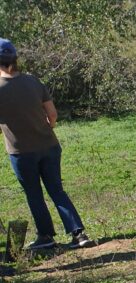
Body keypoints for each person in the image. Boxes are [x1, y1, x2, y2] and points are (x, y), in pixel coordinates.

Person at [0, 39, 95, 252]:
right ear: (15, 59)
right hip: (49, 146)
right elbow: (52, 115)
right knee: (57, 190)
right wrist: (43, 128)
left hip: (21, 152)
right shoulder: (33, 81)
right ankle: (78, 233)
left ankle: (46, 237)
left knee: (34, 194)